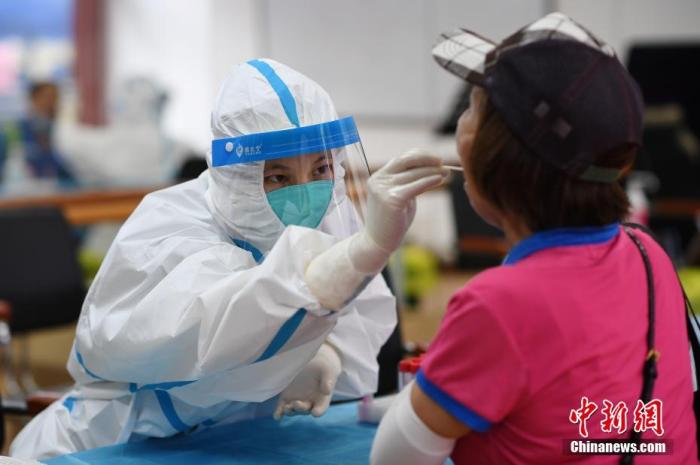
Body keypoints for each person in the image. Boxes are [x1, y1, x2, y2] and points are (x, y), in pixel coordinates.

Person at [10, 59, 448, 459]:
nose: (309, 191)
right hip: (117, 443)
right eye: (278, 176)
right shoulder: (171, 223)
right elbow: (215, 318)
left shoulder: (330, 211)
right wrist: (365, 251)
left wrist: (330, 350)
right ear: (235, 174)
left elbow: (362, 316)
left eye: (320, 169)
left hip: (240, 442)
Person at [371, 13, 699, 465]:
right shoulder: (649, 254)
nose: (460, 127)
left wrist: (372, 247)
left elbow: (394, 458)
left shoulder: (498, 305)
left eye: (472, 106)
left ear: (496, 155)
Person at [18, 81, 74, 182]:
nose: (52, 101)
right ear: (33, 98)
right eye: (47, 97)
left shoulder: (66, 129)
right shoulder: (20, 129)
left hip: (64, 186)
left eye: (55, 97)